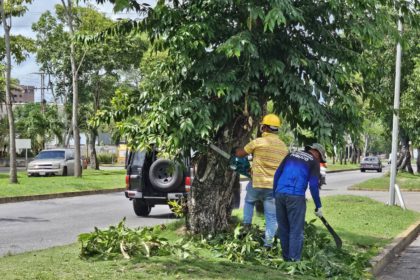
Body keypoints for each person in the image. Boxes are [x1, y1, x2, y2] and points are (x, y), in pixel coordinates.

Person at [235, 114, 288, 247]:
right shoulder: (283, 147)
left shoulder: (258, 142)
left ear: (264, 127)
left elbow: (240, 154)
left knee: (249, 201)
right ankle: (268, 245)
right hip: (272, 187)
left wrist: (235, 150)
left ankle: (246, 225)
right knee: (271, 216)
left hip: (257, 183)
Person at [273, 143, 326, 261]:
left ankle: (286, 258)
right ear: (316, 152)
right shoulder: (313, 161)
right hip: (296, 196)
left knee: (284, 228)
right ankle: (294, 261)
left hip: (280, 194)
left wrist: (274, 194)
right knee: (296, 230)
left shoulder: (291, 155)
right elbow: (313, 185)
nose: (319, 160)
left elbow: (277, 174)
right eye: (320, 158)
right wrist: (318, 206)